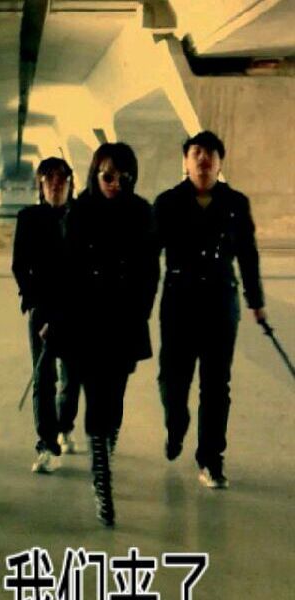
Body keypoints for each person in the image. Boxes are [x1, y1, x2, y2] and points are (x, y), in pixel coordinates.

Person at [154, 130, 266, 489]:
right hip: (178, 303)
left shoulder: (236, 203)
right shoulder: (168, 202)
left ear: (220, 163)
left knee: (216, 385)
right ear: (186, 161)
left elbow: (247, 254)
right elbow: (148, 256)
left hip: (220, 302)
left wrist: (256, 301)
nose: (204, 159)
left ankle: (211, 459)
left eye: (211, 153)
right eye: (197, 152)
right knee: (173, 379)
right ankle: (176, 425)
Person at [62, 143, 159, 527]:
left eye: (124, 177)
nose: (115, 183)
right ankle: (102, 475)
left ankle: (105, 450)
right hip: (85, 324)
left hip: (124, 322)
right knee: (96, 399)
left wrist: (140, 311)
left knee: (114, 399)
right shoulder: (78, 212)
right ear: (95, 174)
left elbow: (150, 271)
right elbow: (66, 269)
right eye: (108, 175)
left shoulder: (141, 212)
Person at [12, 157, 81, 473]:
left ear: (70, 182)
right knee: (43, 376)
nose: (56, 183)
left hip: (76, 310)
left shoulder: (81, 217)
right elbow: (20, 266)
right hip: (42, 309)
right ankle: (47, 443)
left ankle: (65, 425)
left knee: (72, 375)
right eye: (49, 178)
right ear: (40, 184)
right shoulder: (28, 218)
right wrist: (35, 304)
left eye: (61, 177)